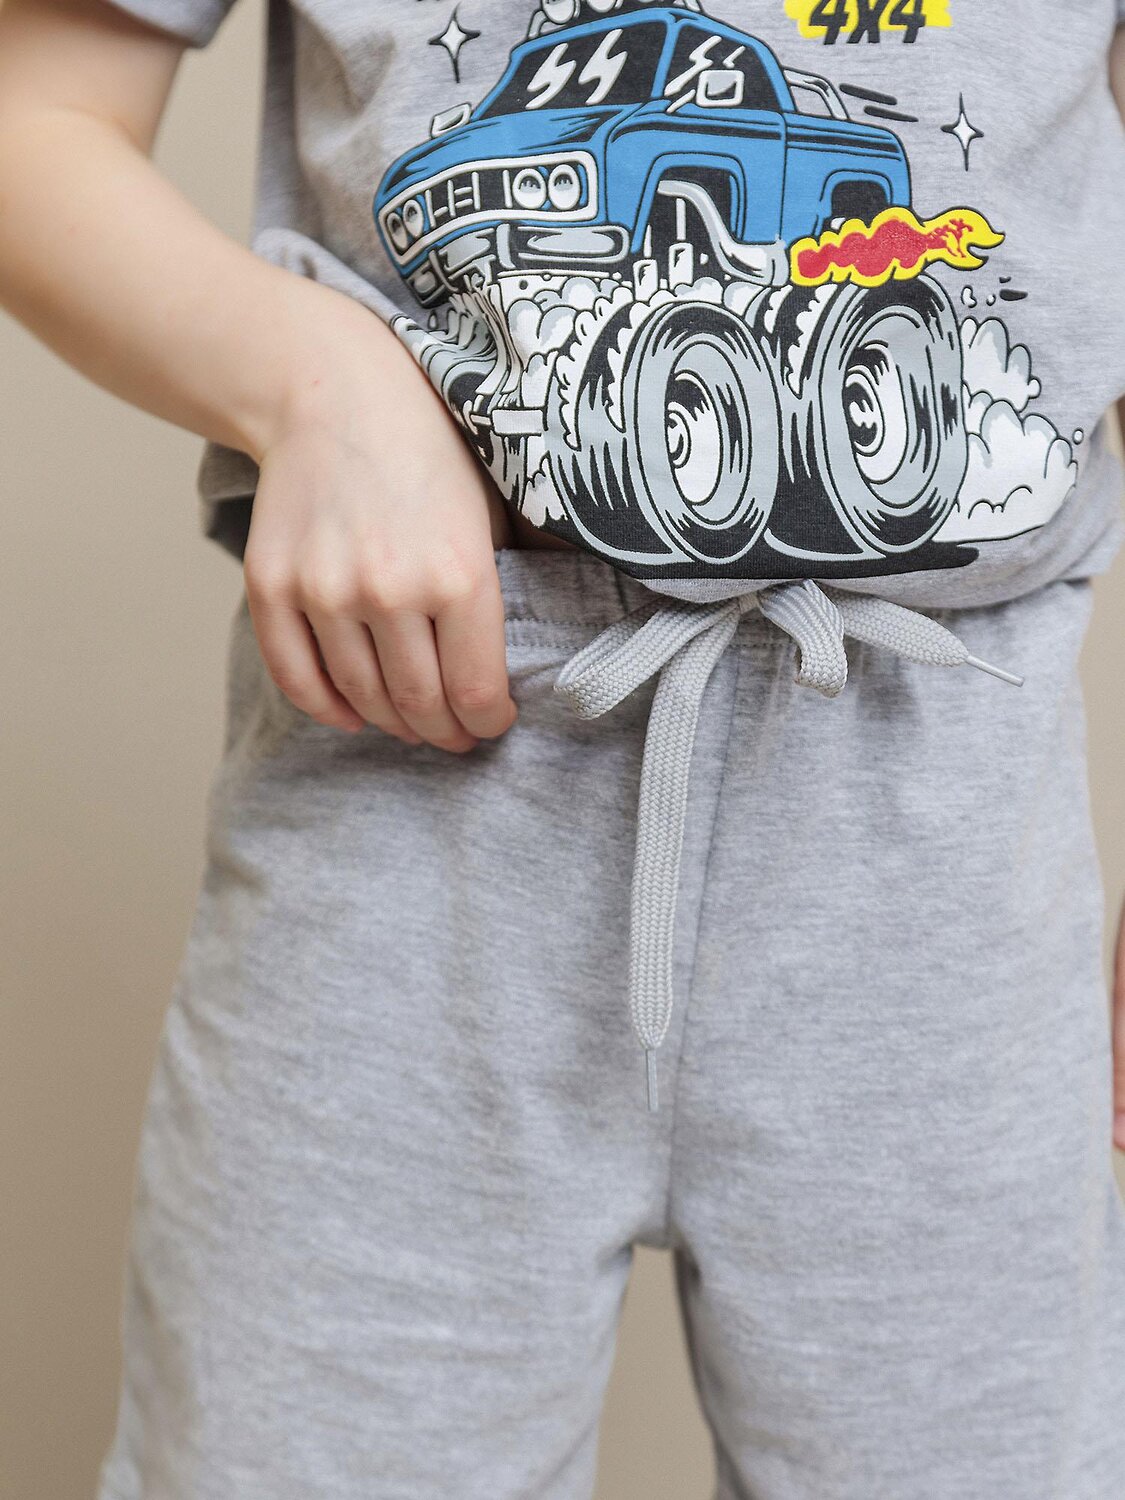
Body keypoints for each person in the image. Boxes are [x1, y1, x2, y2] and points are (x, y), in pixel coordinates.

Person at [2, 0, 1125, 1494]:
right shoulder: (566, 140)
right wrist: (313, 383)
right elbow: (34, 115)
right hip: (409, 785)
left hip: (944, 844)